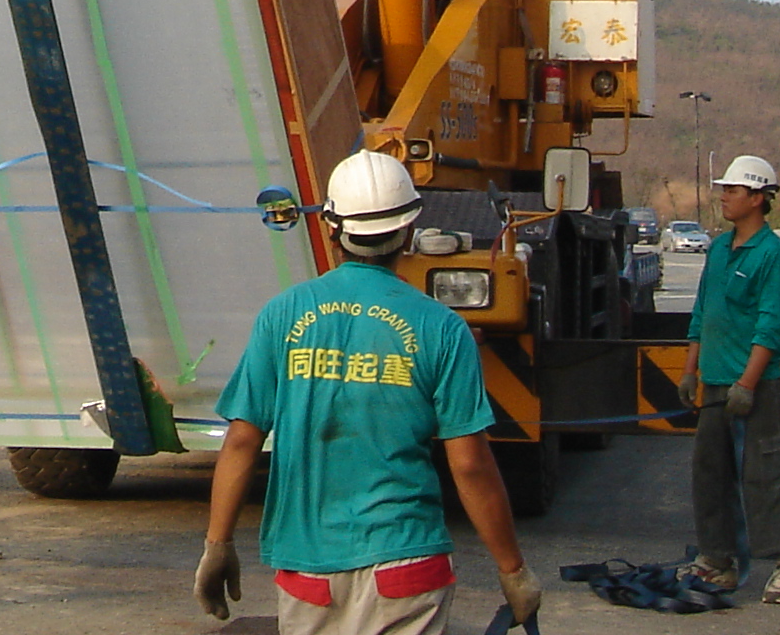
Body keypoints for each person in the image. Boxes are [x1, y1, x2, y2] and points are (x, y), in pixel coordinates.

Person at [194, 151, 540, 633]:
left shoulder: (282, 315)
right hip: (408, 567)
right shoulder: (443, 328)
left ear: (333, 226)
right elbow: (470, 465)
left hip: (308, 571)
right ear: (410, 229)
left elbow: (241, 441)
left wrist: (218, 545)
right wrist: (513, 571)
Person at [679, 153, 780, 605]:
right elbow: (702, 313)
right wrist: (691, 371)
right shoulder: (718, 249)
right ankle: (717, 559)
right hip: (715, 383)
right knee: (708, 471)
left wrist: (748, 384)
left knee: (765, 472)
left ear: (757, 197)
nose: (723, 197)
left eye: (732, 190)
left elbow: (770, 325)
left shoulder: (771, 254)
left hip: (756, 388)